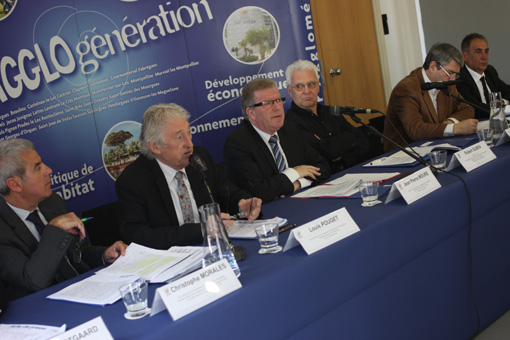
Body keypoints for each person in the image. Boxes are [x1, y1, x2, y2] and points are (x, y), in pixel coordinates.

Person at [116, 103, 261, 249]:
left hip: (214, 248)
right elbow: (135, 235)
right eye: (179, 137)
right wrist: (201, 230)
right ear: (155, 146)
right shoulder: (133, 180)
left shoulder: (199, 157)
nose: (189, 143)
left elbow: (226, 193)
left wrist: (243, 204)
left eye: (189, 133)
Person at [0, 139, 127, 303]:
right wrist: (54, 230)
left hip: (86, 294)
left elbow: (77, 253)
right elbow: (33, 279)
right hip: (41, 310)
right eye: (38, 167)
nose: (49, 170)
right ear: (15, 184)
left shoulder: (51, 201)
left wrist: (104, 255)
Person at [223, 78, 331, 203]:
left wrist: (297, 184)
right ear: (251, 113)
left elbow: (323, 167)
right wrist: (295, 171)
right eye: (267, 103)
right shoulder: (238, 143)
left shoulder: (289, 129)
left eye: (278, 100)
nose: (277, 107)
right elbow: (258, 192)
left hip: (302, 201)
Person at [383, 42, 477, 152]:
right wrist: (453, 129)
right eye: (450, 72)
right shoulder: (407, 88)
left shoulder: (447, 83)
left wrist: (450, 121)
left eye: (455, 74)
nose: (453, 79)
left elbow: (467, 109)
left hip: (436, 146)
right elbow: (415, 130)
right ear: (433, 67)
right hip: (406, 152)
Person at [285, 59, 371, 173]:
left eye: (311, 84)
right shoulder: (289, 123)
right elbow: (323, 154)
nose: (307, 91)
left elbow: (363, 141)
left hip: (352, 171)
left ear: (318, 86)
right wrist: (347, 138)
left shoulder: (332, 111)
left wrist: (341, 160)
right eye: (299, 86)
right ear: (290, 91)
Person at [457, 33, 510, 119]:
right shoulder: (460, 78)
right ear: (465, 56)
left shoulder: (490, 71)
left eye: (486, 51)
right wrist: (502, 106)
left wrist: (502, 102)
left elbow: (508, 91)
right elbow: (476, 108)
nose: (484, 57)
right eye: (479, 52)